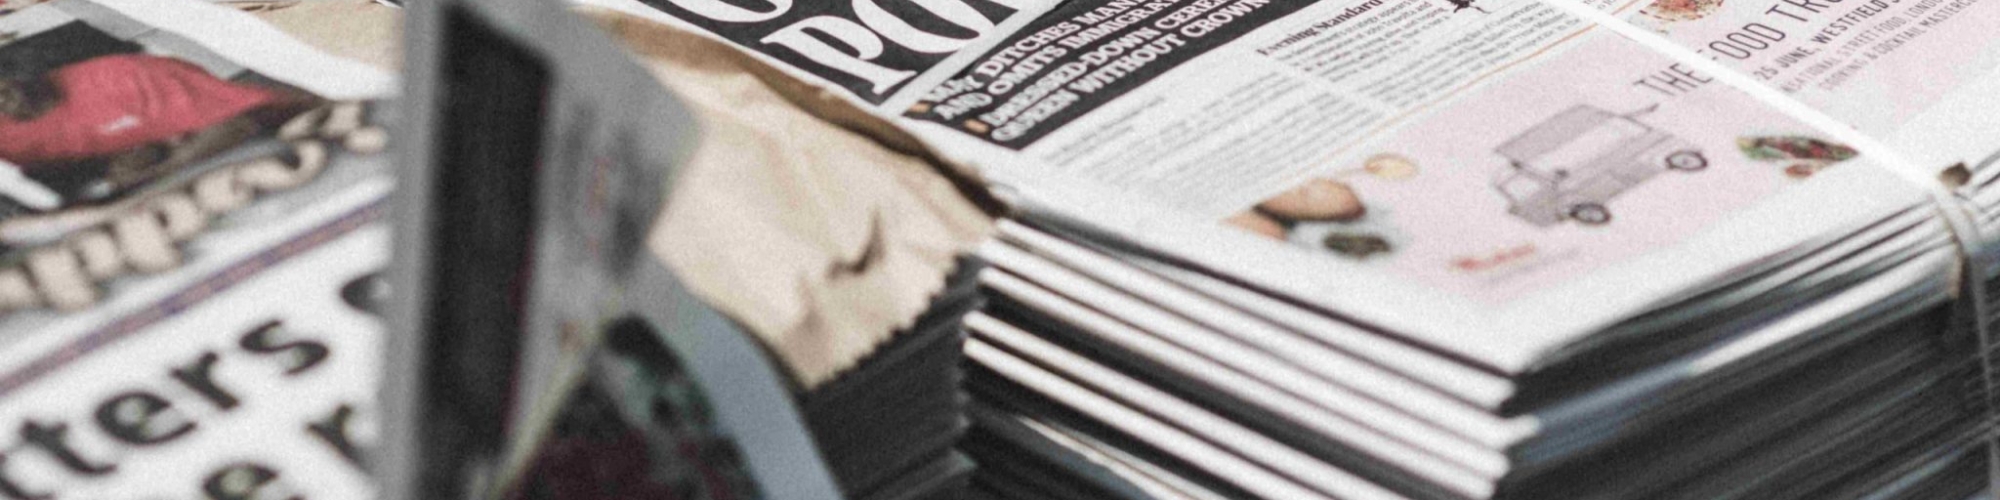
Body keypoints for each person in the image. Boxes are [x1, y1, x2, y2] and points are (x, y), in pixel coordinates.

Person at [0, 52, 312, 202]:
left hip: (265, 150)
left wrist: (158, 174)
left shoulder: (124, 77)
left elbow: (243, 120)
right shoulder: (10, 144)